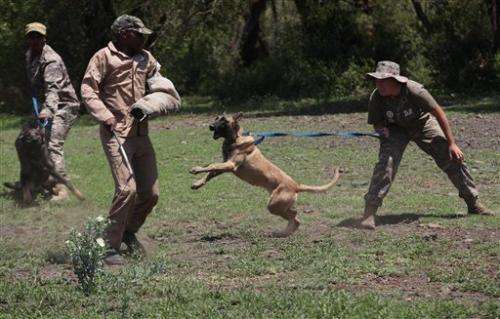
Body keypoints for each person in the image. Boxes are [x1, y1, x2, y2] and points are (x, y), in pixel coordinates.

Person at [359, 61, 493, 230]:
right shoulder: (376, 96)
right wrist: (381, 130)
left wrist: (452, 143)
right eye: (377, 80)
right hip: (395, 129)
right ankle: (369, 212)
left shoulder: (415, 90)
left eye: (383, 80)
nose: (379, 84)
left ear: (395, 80)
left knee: (450, 155)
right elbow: (377, 122)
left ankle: (473, 203)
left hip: (422, 124)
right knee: (386, 163)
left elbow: (438, 112)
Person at [81, 15, 170, 265]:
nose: (143, 37)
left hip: (141, 134)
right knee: (126, 190)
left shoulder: (145, 58)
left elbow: (159, 82)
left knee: (151, 194)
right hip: (116, 133)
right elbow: (88, 89)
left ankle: (128, 233)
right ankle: (109, 247)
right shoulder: (103, 57)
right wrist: (104, 115)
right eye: (138, 33)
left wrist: (163, 98)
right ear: (123, 34)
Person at [25, 22, 80, 200]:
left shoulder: (52, 61)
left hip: (65, 106)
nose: (35, 40)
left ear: (44, 39)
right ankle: (42, 181)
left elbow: (53, 90)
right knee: (31, 141)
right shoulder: (30, 55)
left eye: (38, 37)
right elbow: (35, 85)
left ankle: (62, 188)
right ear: (28, 39)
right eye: (31, 37)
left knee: (52, 144)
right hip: (44, 105)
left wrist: (47, 110)